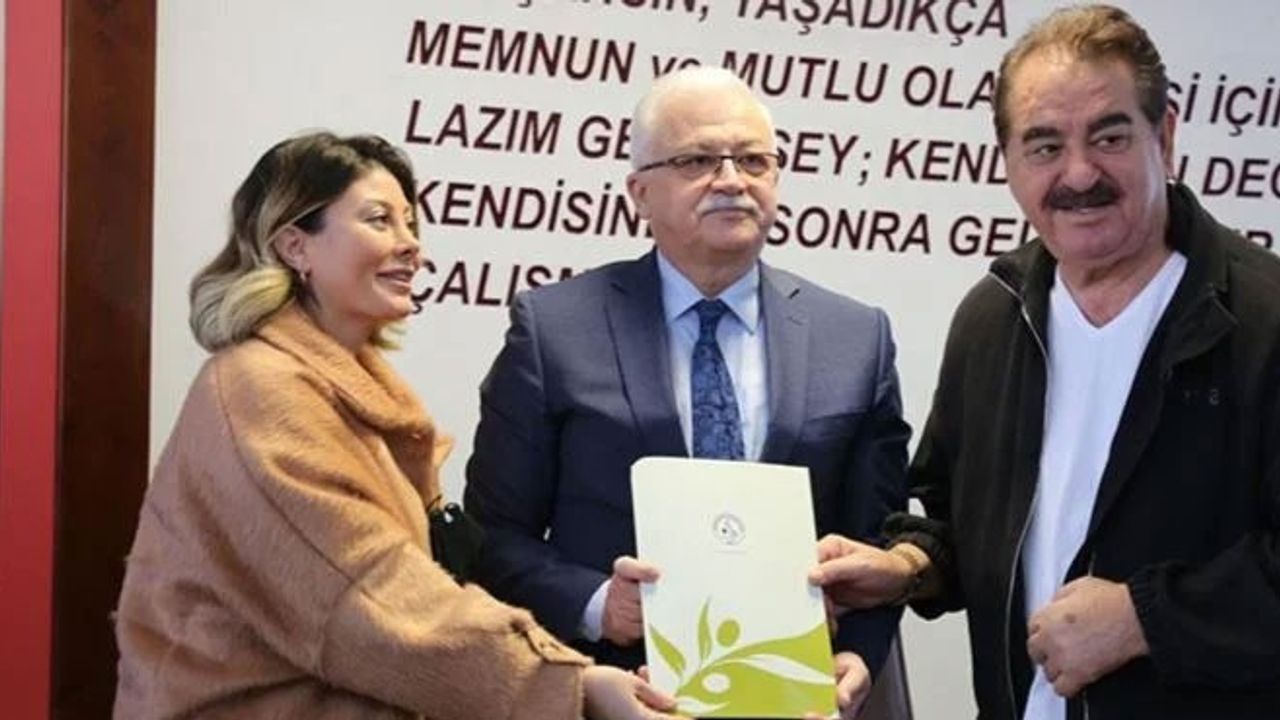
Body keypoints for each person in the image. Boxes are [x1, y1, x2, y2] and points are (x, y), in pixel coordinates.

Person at [808, 5, 1280, 719]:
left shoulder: (1264, 320)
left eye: (1109, 137)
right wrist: (906, 568)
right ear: (1007, 161)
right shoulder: (993, 317)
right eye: (1045, 145)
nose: (1079, 173)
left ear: (1165, 136)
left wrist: (1146, 619)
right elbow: (962, 520)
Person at [112, 131, 684, 720]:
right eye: (379, 220)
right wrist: (573, 685)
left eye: (410, 223)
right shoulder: (261, 390)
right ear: (295, 246)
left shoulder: (337, 388)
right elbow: (378, 601)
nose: (412, 246)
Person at [464, 66, 911, 719]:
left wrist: (860, 656)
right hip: (615, 695)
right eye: (698, 160)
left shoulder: (856, 337)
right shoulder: (554, 329)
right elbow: (492, 537)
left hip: (795, 700)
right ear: (639, 193)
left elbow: (880, 543)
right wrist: (597, 604)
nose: (731, 180)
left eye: (753, 160)